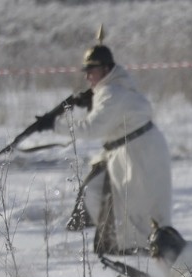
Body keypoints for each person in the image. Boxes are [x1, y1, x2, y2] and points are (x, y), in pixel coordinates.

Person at [34, 27, 172, 256]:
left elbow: (92, 128)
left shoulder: (111, 93)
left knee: (140, 208)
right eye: (86, 71)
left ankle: (143, 250)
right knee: (101, 192)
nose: (87, 76)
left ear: (106, 70)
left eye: (92, 70)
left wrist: (54, 125)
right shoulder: (110, 89)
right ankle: (117, 242)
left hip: (139, 153)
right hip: (131, 150)